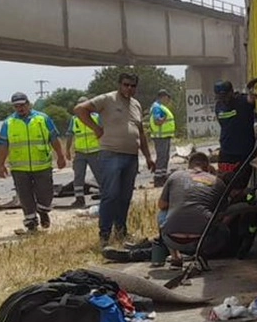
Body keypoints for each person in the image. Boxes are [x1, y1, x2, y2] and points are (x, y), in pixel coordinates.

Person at [73, 73, 156, 246]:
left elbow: (140, 132)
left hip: (131, 156)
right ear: (119, 84)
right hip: (111, 154)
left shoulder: (136, 105)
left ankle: (121, 232)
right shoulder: (107, 99)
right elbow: (80, 109)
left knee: (125, 196)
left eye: (133, 86)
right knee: (110, 195)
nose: (129, 88)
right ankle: (104, 235)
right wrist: (95, 128)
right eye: (126, 85)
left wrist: (148, 157)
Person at [0, 92, 66, 234]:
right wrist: (0, 164)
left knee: (46, 194)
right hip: (19, 168)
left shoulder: (42, 119)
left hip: (42, 165)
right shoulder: (8, 123)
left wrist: (60, 156)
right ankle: (31, 223)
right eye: (16, 106)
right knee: (25, 196)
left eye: (22, 105)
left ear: (28, 104)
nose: (20, 108)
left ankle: (43, 210)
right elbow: (3, 145)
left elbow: (53, 138)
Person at [157, 151, 231, 263]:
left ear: (189, 166)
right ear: (208, 167)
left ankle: (175, 256)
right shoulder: (217, 182)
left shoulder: (175, 176)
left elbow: (161, 205)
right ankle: (204, 255)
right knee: (221, 223)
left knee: (163, 213)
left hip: (173, 240)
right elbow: (224, 213)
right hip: (205, 241)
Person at [213, 80, 256, 186]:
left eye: (225, 96)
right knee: (223, 181)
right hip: (226, 150)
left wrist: (251, 89)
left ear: (231, 92)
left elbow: (251, 100)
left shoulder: (242, 101)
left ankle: (245, 200)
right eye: (220, 97)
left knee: (240, 182)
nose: (224, 100)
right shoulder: (219, 105)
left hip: (243, 152)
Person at [66, 98, 102, 208]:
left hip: (95, 151)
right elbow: (70, 135)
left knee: (100, 175)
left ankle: (105, 195)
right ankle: (79, 199)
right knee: (78, 176)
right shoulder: (75, 119)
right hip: (80, 152)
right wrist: (67, 150)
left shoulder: (97, 117)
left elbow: (103, 131)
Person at [148, 89, 176, 187]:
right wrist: (163, 118)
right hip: (160, 137)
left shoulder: (161, 107)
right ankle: (158, 178)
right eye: (168, 98)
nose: (168, 101)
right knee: (162, 157)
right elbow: (157, 121)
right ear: (163, 97)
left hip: (165, 136)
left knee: (165, 157)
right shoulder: (157, 107)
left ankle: (163, 176)